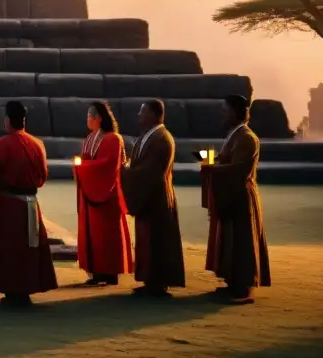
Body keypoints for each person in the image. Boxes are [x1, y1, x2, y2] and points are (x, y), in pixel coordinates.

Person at [0, 100, 58, 306]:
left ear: (8, 120)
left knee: (10, 248)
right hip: (31, 202)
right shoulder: (37, 144)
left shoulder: (0, 145)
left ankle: (11, 289)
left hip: (9, 203)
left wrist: (1, 195)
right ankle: (27, 287)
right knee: (29, 247)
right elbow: (42, 176)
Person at [202, 94, 271, 303]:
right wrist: (205, 158)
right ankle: (233, 282)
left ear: (235, 112)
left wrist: (212, 168)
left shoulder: (247, 137)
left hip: (240, 195)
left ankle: (243, 288)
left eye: (225, 109)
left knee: (242, 241)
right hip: (231, 192)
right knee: (230, 239)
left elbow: (238, 169)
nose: (222, 113)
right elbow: (225, 159)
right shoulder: (235, 134)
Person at [120, 99, 186, 297]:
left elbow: (150, 171)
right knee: (147, 240)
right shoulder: (148, 137)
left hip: (157, 198)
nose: (139, 116)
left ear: (153, 114)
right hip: (148, 197)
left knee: (157, 241)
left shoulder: (162, 139)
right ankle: (150, 280)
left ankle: (159, 282)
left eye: (142, 112)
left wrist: (124, 171)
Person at [73, 100, 133, 286]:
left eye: (89, 116)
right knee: (93, 234)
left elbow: (108, 166)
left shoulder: (113, 139)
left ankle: (110, 272)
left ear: (98, 118)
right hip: (90, 192)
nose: (87, 120)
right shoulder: (90, 138)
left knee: (107, 233)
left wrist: (82, 167)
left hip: (108, 193)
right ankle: (97, 271)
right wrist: (82, 169)